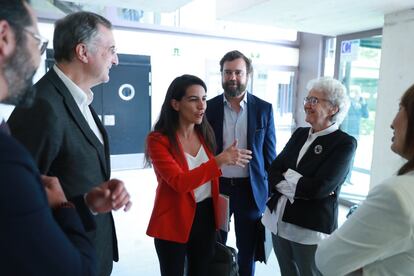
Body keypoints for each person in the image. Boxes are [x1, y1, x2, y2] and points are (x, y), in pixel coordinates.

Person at [8, 11, 131, 276]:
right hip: (60, 259)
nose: (116, 59)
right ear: (83, 52)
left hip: (89, 251)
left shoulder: (81, 99)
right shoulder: (42, 106)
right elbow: (20, 201)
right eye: (111, 50)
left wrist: (95, 198)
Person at [0, 0, 96, 274]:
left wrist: (83, 203)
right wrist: (65, 208)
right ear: (4, 37)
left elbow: (21, 217)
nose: (38, 57)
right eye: (37, 42)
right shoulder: (7, 157)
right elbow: (77, 269)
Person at [145, 74, 252, 276]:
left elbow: (208, 177)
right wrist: (219, 161)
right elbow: (180, 182)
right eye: (193, 99)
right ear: (175, 104)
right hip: (173, 217)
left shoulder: (204, 133)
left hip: (206, 216)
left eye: (204, 99)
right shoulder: (158, 140)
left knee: (202, 271)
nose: (201, 106)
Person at [315, 84, 414, 275]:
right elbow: (276, 172)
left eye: (402, 108)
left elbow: (327, 260)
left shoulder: (397, 195)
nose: (392, 122)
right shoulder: (299, 135)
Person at [263, 76, 357, 275]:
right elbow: (273, 170)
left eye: (315, 100)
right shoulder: (300, 134)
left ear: (333, 109)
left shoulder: (344, 143)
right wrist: (296, 182)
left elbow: (320, 188)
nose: (307, 104)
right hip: (278, 221)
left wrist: (287, 177)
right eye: (307, 99)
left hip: (309, 229)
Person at [206, 50, 276, 276]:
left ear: (248, 75)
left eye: (238, 72)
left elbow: (269, 155)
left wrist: (271, 192)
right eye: (228, 72)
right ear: (221, 75)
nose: (233, 77)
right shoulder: (209, 108)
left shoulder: (264, 109)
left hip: (250, 190)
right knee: (215, 246)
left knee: (248, 250)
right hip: (218, 188)